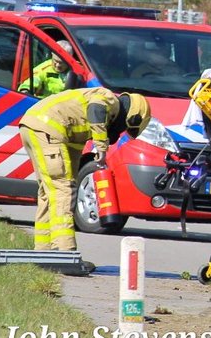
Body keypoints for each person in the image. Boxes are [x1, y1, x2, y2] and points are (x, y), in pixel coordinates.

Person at [18, 88, 150, 251]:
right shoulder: (110, 100)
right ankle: (65, 251)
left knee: (48, 192)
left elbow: (73, 147)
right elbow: (96, 109)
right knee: (63, 190)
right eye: (126, 128)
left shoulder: (80, 121)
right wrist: (101, 147)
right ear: (132, 116)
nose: (121, 130)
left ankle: (43, 249)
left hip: (33, 125)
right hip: (47, 128)